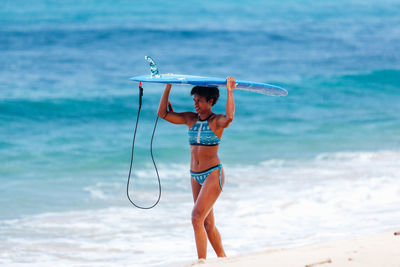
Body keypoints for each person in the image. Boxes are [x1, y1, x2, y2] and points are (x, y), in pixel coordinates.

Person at [157, 77, 237, 260]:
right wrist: (168, 87)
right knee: (207, 223)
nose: (196, 105)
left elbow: (230, 117)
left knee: (196, 218)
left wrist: (230, 91)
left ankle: (201, 262)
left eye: (199, 101)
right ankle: (223, 259)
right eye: (194, 101)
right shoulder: (189, 119)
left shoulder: (217, 121)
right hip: (195, 175)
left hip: (212, 174)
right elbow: (162, 114)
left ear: (210, 101)